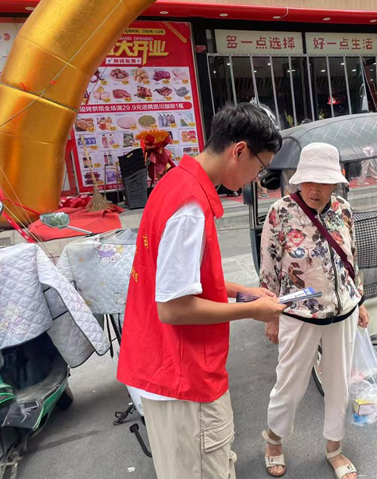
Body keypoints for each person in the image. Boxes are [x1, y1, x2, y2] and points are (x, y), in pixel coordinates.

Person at [117, 103, 288, 479]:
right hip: (184, 377)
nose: (256, 179)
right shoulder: (190, 207)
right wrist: (252, 310)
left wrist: (241, 291)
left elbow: (182, 279)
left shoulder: (175, 183)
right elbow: (174, 307)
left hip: (166, 365)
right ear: (239, 151)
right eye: (260, 167)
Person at [259, 142, 369, 479]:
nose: (315, 190)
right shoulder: (280, 213)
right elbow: (268, 269)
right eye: (309, 181)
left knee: (339, 385)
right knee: (289, 386)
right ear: (298, 178)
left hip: (343, 311)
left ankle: (334, 447)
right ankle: (274, 441)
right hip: (298, 313)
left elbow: (352, 258)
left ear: (335, 182)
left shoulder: (343, 209)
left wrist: (360, 300)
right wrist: (271, 316)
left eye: (323, 182)